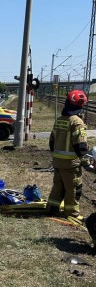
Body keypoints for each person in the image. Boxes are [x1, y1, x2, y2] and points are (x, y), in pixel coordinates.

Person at [46, 90, 92, 224]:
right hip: (71, 164)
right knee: (73, 188)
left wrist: (56, 156)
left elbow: (52, 141)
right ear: (80, 105)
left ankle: (52, 208)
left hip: (58, 162)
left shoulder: (59, 120)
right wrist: (86, 162)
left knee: (58, 187)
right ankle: (72, 213)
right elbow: (81, 145)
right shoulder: (77, 122)